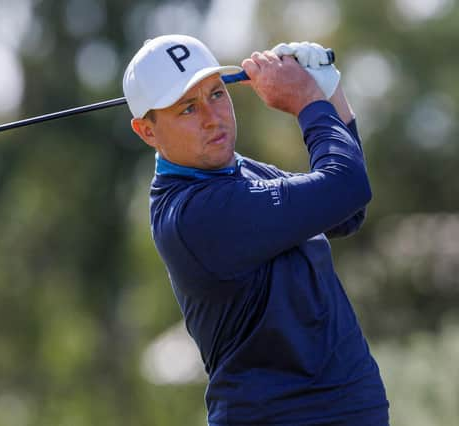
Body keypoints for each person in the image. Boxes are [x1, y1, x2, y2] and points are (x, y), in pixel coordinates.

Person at [122, 34, 389, 425]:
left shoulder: (239, 172)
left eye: (216, 94)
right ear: (147, 131)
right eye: (187, 109)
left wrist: (331, 94)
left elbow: (346, 211)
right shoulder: (193, 214)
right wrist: (309, 102)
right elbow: (345, 186)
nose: (213, 117)